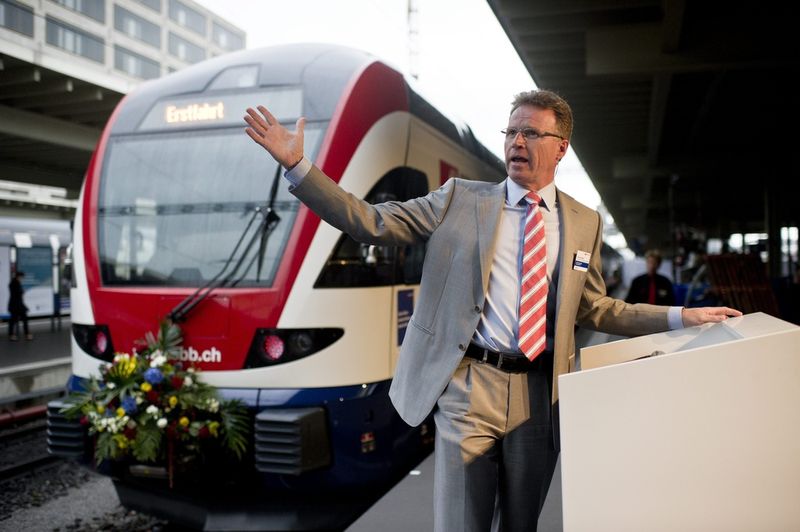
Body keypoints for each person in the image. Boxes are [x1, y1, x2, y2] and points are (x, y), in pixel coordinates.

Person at [244, 90, 740, 531]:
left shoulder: (583, 221)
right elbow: (370, 222)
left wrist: (679, 316)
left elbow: (594, 307)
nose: (516, 142)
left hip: (538, 394)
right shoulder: (460, 198)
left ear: (560, 147)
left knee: (521, 522)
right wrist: (298, 167)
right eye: (511, 131)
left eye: (530, 132)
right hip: (468, 388)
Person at [8, 270, 32, 341]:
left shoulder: (15, 283)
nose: (22, 279)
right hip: (16, 305)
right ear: (19, 277)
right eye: (22, 277)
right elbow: (17, 294)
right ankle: (24, 334)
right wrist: (22, 292)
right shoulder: (15, 283)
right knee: (15, 320)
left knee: (15, 320)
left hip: (17, 305)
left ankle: (25, 334)